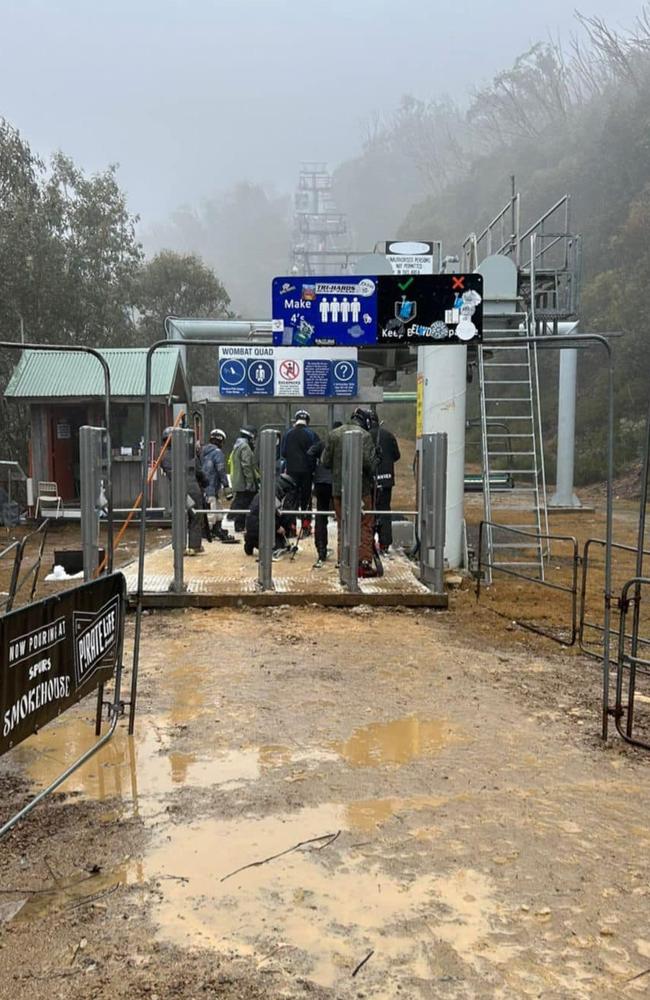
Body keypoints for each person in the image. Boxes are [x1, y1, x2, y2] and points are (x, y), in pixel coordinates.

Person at [321, 407, 379, 577]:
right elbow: (370, 464)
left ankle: (343, 560)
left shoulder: (334, 434)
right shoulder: (366, 436)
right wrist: (376, 458)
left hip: (339, 489)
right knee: (365, 524)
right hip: (362, 490)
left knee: (342, 525)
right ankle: (364, 563)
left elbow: (325, 462)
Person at [160, 426, 205, 555]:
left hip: (176, 488)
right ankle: (194, 546)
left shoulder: (164, 456)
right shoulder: (189, 453)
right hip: (192, 487)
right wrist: (205, 483)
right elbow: (199, 471)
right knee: (195, 515)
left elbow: (171, 473)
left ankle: (180, 547)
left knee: (178, 517)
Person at [308, 421, 341, 567]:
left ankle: (321, 548)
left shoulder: (323, 442)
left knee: (321, 516)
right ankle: (344, 553)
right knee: (342, 517)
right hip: (337, 483)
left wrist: (314, 469)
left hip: (321, 483)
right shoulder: (343, 444)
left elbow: (309, 453)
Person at [281, 410, 319, 537]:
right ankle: (306, 526)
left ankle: (291, 527)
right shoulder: (312, 434)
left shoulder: (287, 434)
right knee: (306, 500)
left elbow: (284, 453)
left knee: (291, 500)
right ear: (307, 421)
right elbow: (316, 453)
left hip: (291, 472)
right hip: (307, 472)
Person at [244, 473, 298, 557]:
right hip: (261, 530)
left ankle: (250, 541)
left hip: (251, 526)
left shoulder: (266, 490)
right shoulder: (274, 496)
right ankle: (261, 542)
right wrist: (277, 527)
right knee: (279, 547)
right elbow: (270, 515)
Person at [369, 415, 401, 553]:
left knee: (370, 511)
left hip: (371, 480)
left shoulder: (366, 436)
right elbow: (397, 455)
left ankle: (369, 541)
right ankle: (385, 543)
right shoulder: (389, 435)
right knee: (385, 510)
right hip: (387, 479)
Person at [201, 428, 238, 543]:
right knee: (214, 510)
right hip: (212, 487)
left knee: (214, 509)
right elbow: (221, 470)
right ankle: (210, 531)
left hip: (203, 487)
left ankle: (215, 530)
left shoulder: (201, 451)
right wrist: (226, 487)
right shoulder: (218, 453)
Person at [229, 426, 259, 532]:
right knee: (247, 504)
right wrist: (250, 482)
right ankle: (241, 525)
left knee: (241, 503)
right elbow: (247, 466)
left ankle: (239, 524)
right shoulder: (245, 447)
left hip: (238, 482)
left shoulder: (237, 446)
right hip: (245, 483)